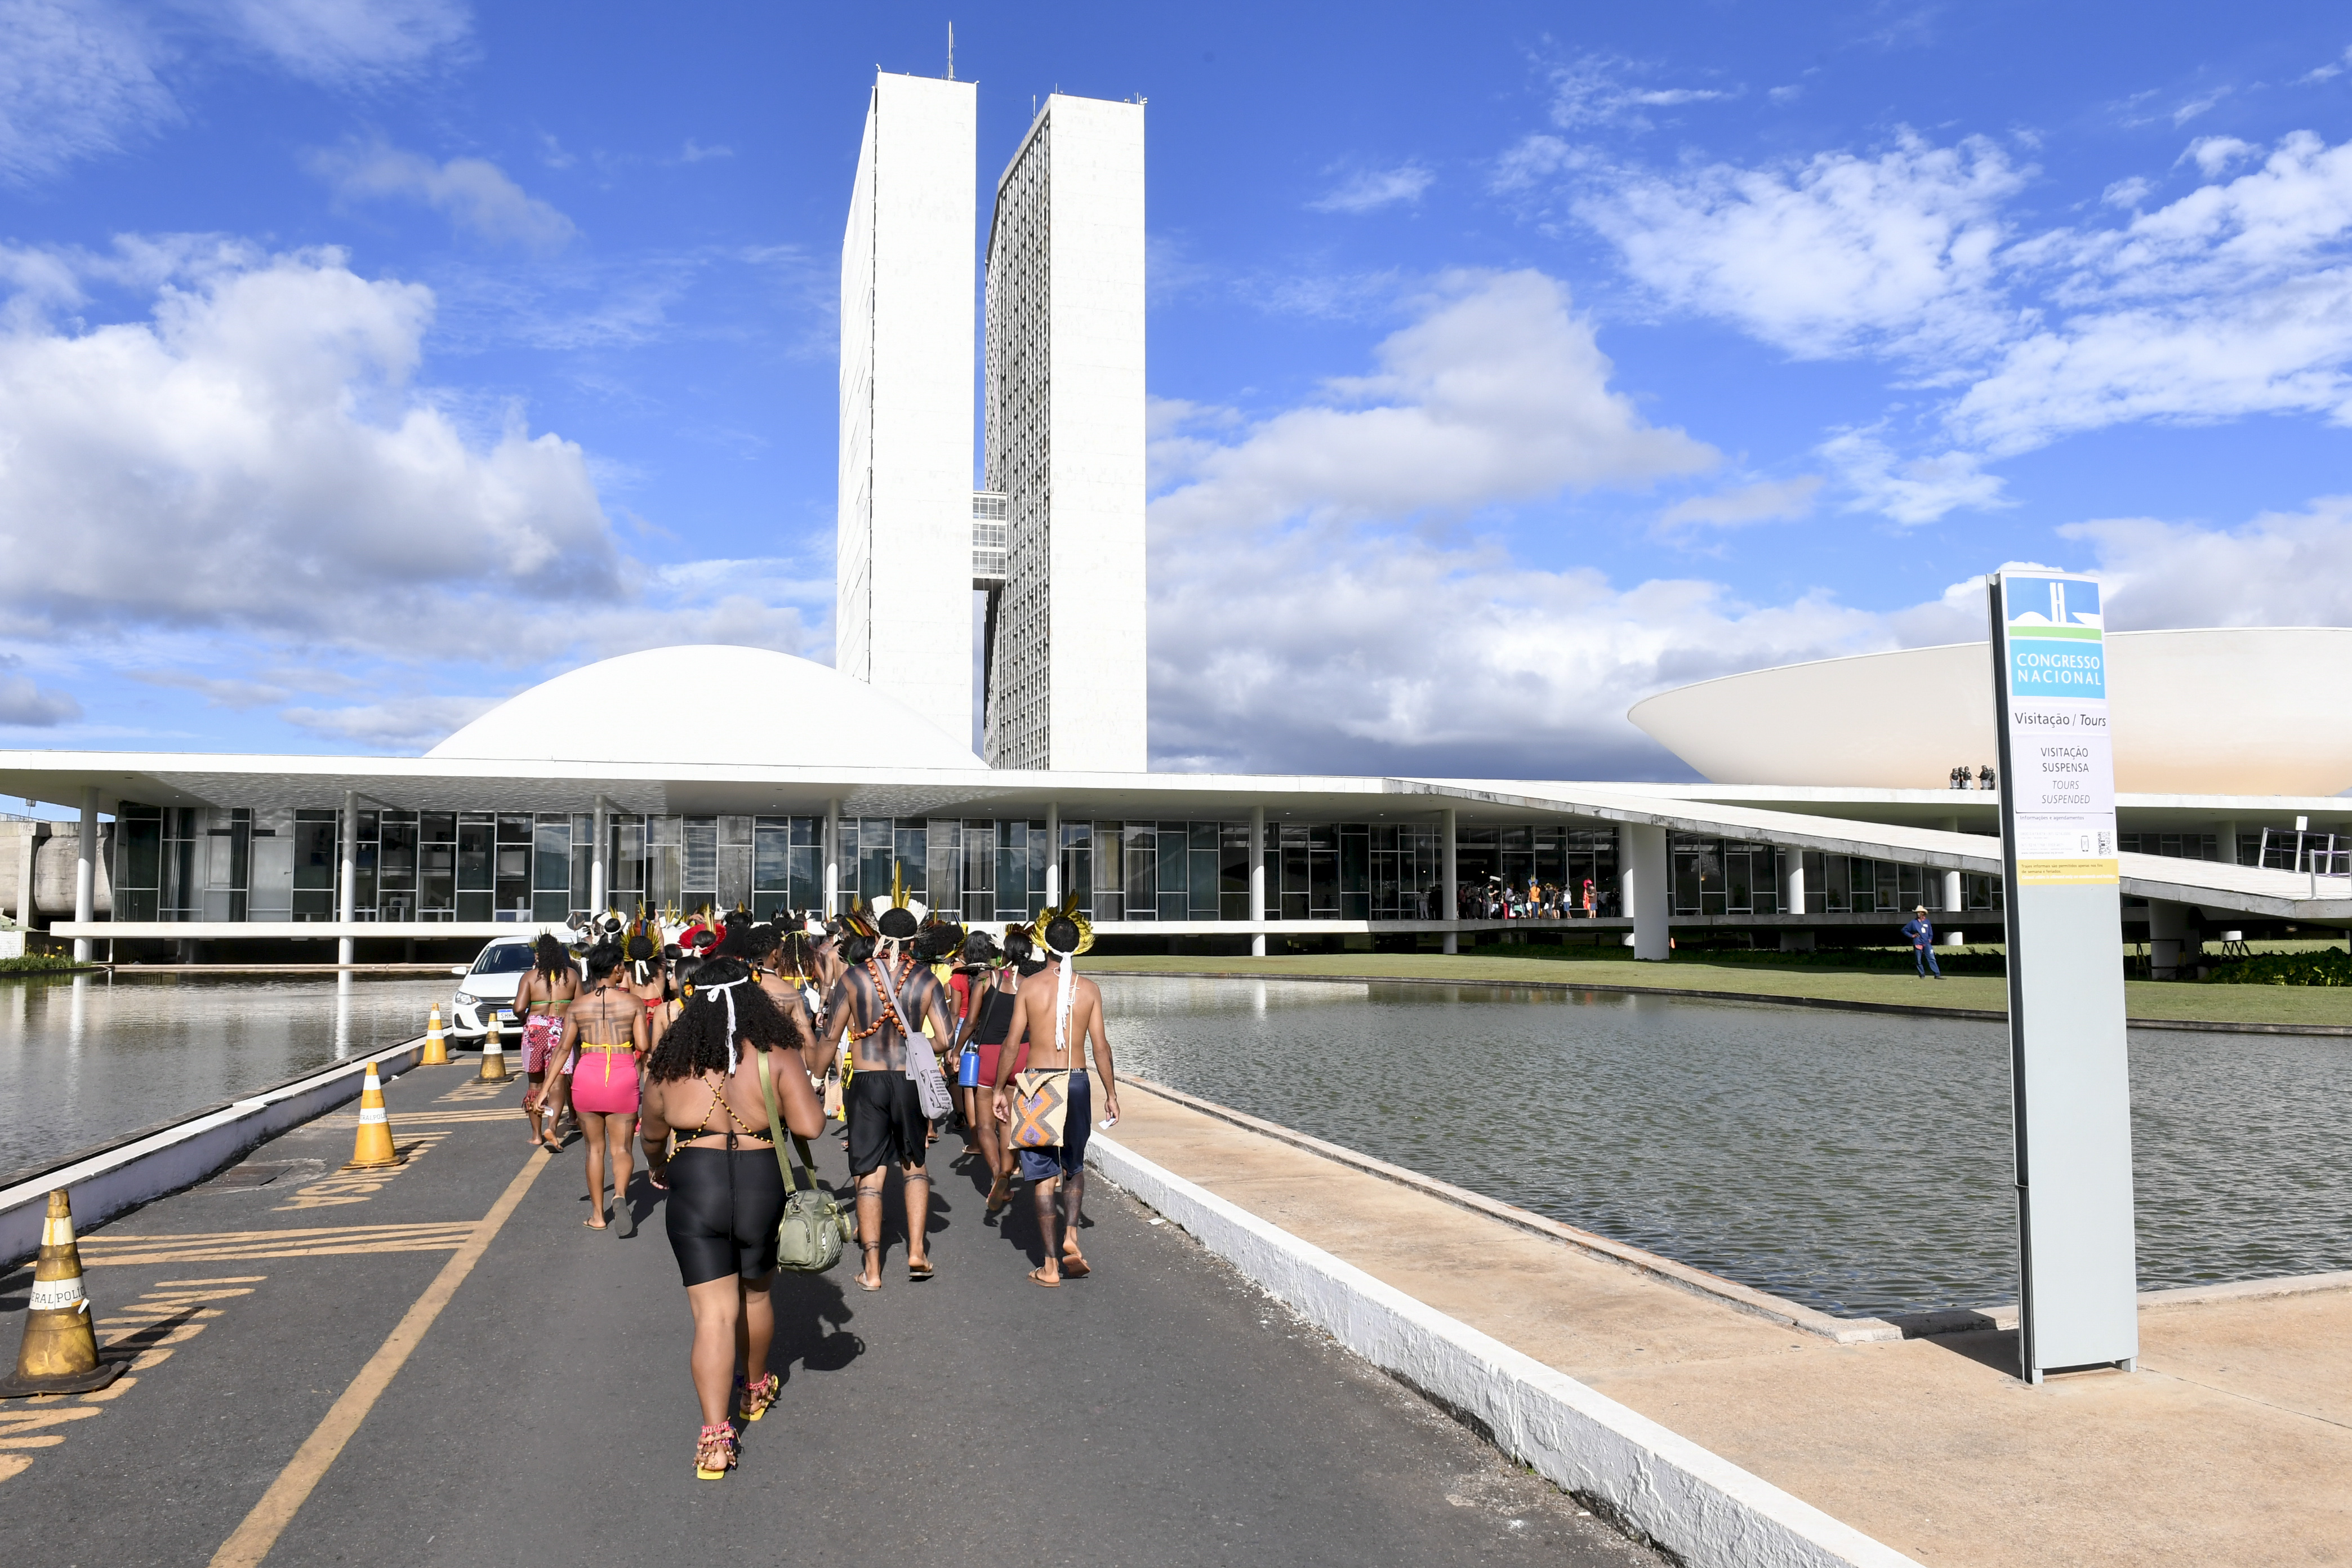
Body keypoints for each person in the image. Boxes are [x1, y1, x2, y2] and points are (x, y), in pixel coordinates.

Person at [638, 955, 826, 1481]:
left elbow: (651, 1131)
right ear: (752, 999)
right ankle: (756, 1385)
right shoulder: (777, 1053)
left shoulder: (672, 1060)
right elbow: (810, 1128)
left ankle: (715, 1442)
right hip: (762, 1176)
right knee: (758, 1294)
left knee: (713, 1316)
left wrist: (658, 1167)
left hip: (695, 1183)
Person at [812, 906, 957, 1290]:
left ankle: (873, 1271)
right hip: (909, 1079)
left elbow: (831, 1036)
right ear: (914, 940)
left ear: (877, 936)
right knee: (914, 1166)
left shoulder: (854, 978)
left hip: (866, 1081)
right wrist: (915, 1039)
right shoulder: (926, 980)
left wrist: (813, 1073)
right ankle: (916, 1252)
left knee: (869, 1173)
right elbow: (945, 1040)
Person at [992, 913, 1121, 1288]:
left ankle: (1050, 1267)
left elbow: (1012, 1042)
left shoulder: (1030, 987)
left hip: (1038, 1085)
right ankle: (1072, 1235)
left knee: (1043, 1176)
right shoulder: (1090, 989)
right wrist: (1112, 1094)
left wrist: (1001, 1088)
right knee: (1075, 1165)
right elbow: (1101, 1046)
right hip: (1078, 1081)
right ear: (1078, 946)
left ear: (1043, 945)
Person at [560, 939, 651, 1233]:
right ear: (616, 969)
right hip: (622, 1073)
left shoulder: (577, 1005)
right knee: (622, 1147)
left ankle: (598, 1216)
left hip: (588, 1073)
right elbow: (643, 1044)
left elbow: (563, 1049)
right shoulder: (633, 1003)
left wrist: (546, 1088)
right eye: (622, 966)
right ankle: (621, 1195)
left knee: (594, 1150)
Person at [514, 933, 579, 1152]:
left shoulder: (530, 977)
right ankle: (552, 1126)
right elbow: (580, 1005)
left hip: (535, 1029)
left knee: (535, 1085)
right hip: (563, 1028)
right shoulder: (571, 975)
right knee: (558, 1083)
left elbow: (518, 1008)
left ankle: (536, 1135)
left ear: (538, 954)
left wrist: (526, 1019)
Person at [1903, 905, 1941, 979]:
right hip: (1918, 943)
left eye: (1919, 912)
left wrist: (1930, 939)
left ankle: (1937, 974)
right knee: (1918, 960)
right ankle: (1922, 974)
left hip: (1927, 943)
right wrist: (1912, 936)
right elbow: (1904, 930)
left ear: (1923, 913)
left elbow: (1931, 932)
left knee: (1932, 958)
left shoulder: (1927, 922)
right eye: (1917, 913)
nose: (1918, 914)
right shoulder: (1913, 923)